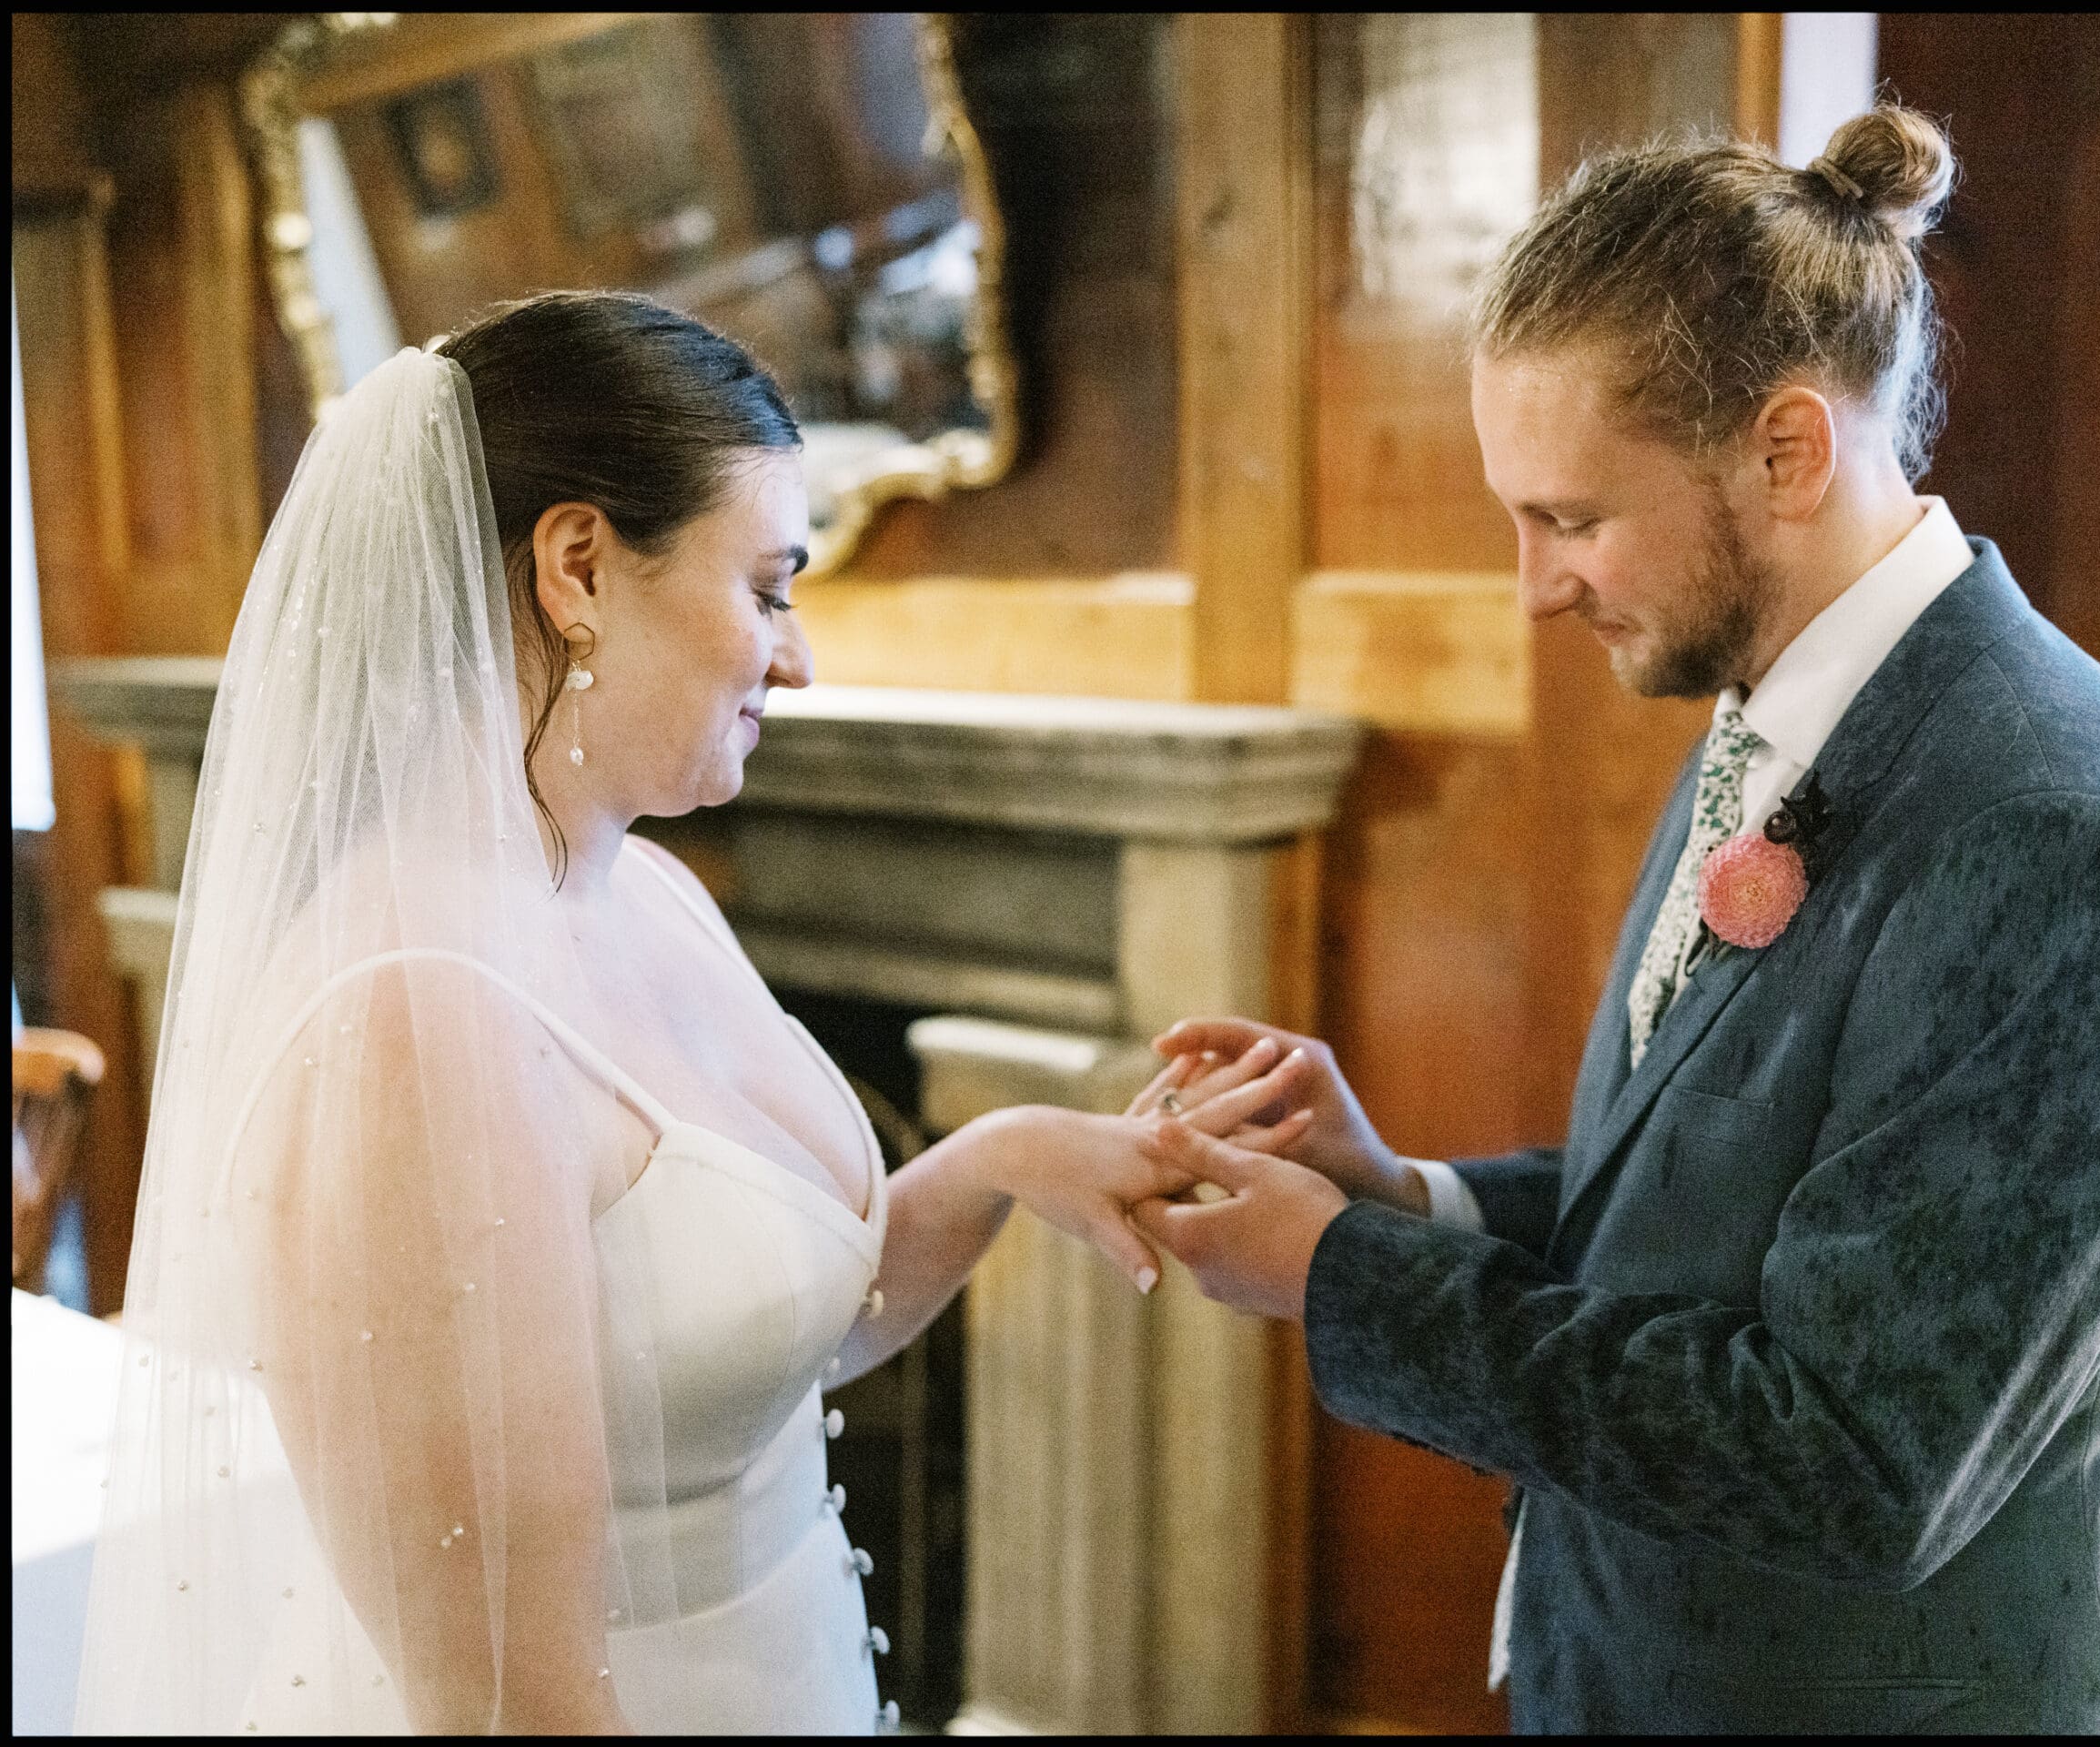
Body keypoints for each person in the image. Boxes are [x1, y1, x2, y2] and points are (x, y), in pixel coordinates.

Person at [1133, 104, 2100, 1732]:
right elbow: (1737, 1217)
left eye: (1572, 520)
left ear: (1786, 452)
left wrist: (1345, 1282)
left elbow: (1856, 1463)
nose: (1533, 586)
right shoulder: (1775, 710)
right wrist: (1402, 1197)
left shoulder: (2062, 838)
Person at [71, 293, 1310, 1736]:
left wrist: (1003, 1157)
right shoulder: (418, 1029)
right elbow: (509, 1700)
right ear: (580, 566)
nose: (797, 658)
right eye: (769, 587)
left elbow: (744, 1350)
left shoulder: (644, 888)